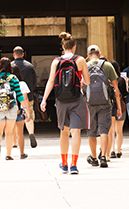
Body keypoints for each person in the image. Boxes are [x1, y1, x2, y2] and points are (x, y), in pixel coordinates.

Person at [40, 32, 90, 175]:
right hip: (77, 99)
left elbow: (50, 81)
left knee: (64, 131)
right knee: (76, 132)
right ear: (74, 47)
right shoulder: (80, 60)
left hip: (61, 100)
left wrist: (44, 99)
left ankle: (64, 162)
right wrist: (80, 80)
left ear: (63, 47)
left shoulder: (56, 61)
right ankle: (74, 164)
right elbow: (87, 81)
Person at [84, 45, 121, 169]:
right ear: (99, 54)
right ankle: (104, 156)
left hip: (89, 104)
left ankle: (94, 158)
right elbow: (116, 89)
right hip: (105, 103)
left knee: (92, 132)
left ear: (88, 55)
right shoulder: (108, 66)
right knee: (104, 130)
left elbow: (81, 86)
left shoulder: (85, 66)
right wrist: (119, 107)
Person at [0, 58, 27, 161]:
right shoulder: (13, 78)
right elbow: (19, 95)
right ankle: (8, 155)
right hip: (11, 107)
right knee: (9, 132)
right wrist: (25, 108)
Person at [12, 46, 38, 147]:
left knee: (14, 120)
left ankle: (15, 143)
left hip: (13, 98)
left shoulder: (11, 66)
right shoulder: (29, 66)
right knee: (29, 115)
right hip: (27, 95)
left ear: (14, 55)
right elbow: (34, 81)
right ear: (23, 54)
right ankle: (31, 133)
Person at [108, 61, 128, 159]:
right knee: (119, 131)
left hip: (111, 106)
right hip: (121, 106)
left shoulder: (108, 81)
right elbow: (125, 94)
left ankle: (112, 150)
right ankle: (119, 151)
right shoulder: (121, 80)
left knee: (111, 131)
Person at [11, 65, 31, 158]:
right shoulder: (22, 83)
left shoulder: (6, 82)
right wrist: (27, 111)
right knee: (20, 133)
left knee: (9, 131)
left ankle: (9, 153)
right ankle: (22, 153)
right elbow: (25, 98)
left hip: (8, 109)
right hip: (18, 110)